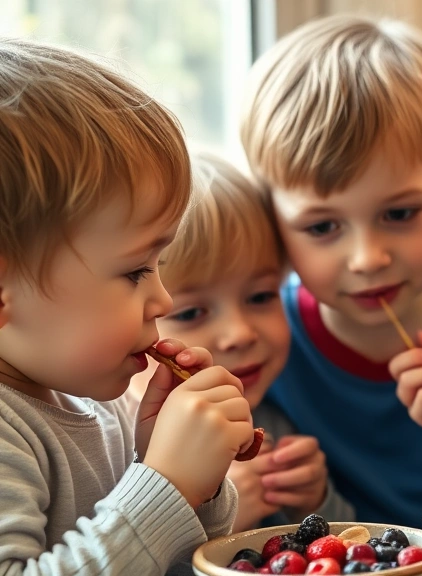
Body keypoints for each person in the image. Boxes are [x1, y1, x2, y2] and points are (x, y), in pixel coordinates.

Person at [238, 15, 422, 527]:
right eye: (323, 226)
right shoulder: (260, 341)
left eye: (398, 214)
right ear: (272, 219)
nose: (367, 258)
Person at [0, 39, 251, 574]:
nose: (162, 297)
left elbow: (171, 564)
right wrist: (165, 484)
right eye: (135, 270)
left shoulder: (100, 401)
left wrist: (192, 481)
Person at [129, 152, 354, 533]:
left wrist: (313, 505)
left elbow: (355, 550)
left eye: (261, 296)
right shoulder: (108, 443)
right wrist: (219, 518)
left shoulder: (268, 425)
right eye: (190, 313)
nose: (241, 333)